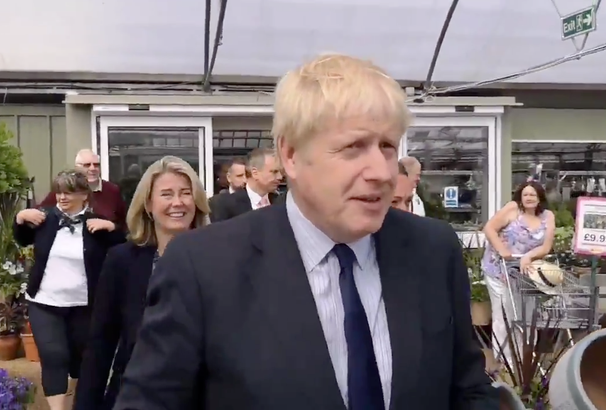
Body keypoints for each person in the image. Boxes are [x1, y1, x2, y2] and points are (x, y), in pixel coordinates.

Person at [113, 54, 497, 410]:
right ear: (291, 155)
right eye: (353, 147)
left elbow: (467, 390)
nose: (382, 172)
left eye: (386, 146)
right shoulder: (203, 268)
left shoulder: (432, 250)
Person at [75, 156, 209, 410]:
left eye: (185, 193)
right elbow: (101, 343)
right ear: (148, 204)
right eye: (167, 194)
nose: (177, 202)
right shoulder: (122, 260)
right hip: (136, 398)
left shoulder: (219, 259)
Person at [13, 170, 125, 410]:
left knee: (79, 361)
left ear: (84, 195)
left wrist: (113, 228)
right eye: (59, 192)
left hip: (84, 305)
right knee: (53, 356)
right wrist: (20, 218)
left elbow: (125, 249)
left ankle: (76, 400)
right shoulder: (43, 218)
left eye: (70, 192)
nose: (62, 197)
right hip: (44, 301)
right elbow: (22, 239)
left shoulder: (97, 223)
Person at [481, 181, 556, 366]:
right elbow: (489, 228)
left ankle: (523, 360)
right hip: (499, 269)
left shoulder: (548, 217)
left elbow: (546, 246)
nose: (529, 198)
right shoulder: (512, 209)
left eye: (533, 195)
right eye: (525, 195)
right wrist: (501, 249)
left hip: (525, 273)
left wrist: (528, 257)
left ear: (540, 198)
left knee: (525, 316)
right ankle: (505, 362)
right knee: (503, 314)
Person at [39, 149, 127, 228]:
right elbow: (40, 212)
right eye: (87, 165)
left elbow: (123, 223)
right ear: (76, 168)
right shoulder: (63, 190)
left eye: (96, 165)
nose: (93, 168)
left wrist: (111, 227)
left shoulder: (112, 190)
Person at [209, 148, 283, 222]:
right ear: (255, 173)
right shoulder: (224, 204)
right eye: (274, 172)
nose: (280, 177)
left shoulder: (281, 202)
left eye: (280, 172)